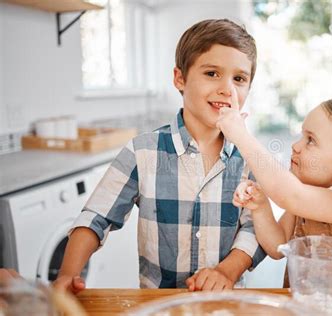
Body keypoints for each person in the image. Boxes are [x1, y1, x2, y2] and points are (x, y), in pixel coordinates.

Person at [53, 19, 265, 294]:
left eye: (239, 78)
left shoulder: (249, 156)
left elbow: (255, 229)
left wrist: (227, 270)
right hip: (156, 303)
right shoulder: (142, 151)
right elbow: (97, 216)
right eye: (212, 73)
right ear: (180, 78)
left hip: (224, 304)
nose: (228, 89)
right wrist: (68, 273)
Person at [217, 97, 332, 286]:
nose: (295, 146)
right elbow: (277, 246)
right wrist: (260, 206)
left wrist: (240, 135)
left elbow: (291, 195)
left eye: (310, 140)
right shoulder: (308, 197)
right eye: (302, 136)